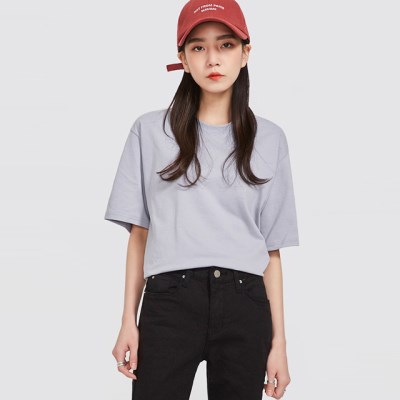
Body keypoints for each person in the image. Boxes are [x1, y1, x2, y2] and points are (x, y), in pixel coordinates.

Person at [104, 1, 299, 399]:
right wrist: (128, 320)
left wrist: (279, 343)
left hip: (245, 302)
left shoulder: (270, 138)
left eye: (226, 45)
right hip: (169, 301)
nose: (213, 59)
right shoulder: (149, 131)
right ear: (183, 59)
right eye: (198, 47)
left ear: (245, 53)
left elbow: (271, 250)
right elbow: (139, 234)